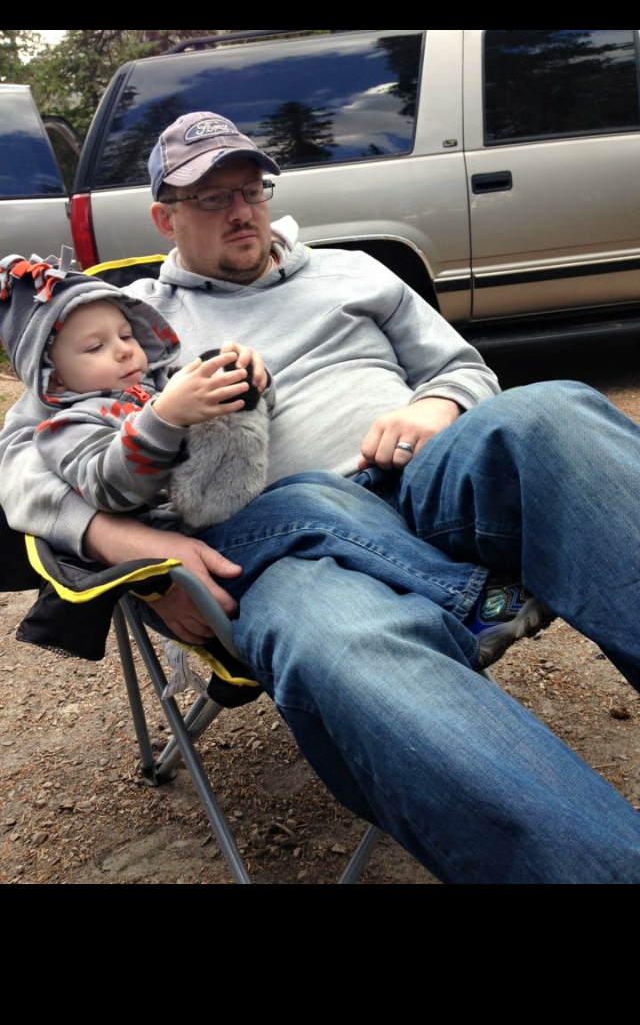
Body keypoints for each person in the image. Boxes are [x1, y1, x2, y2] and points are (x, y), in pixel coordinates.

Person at [1, 113, 639, 883]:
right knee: (342, 644)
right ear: (163, 218)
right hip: (285, 551)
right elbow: (22, 456)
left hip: (429, 482)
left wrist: (432, 409)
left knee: (555, 412)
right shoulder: (121, 324)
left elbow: (466, 369)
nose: (240, 210)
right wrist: (132, 547)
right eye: (210, 198)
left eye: (249, 189)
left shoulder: (358, 272)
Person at [0, 252, 273, 529]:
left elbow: (249, 420)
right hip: (177, 537)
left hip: (235, 501)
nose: (123, 350)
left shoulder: (166, 380)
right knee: (302, 510)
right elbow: (109, 490)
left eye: (127, 335)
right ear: (54, 379)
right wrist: (163, 420)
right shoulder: (66, 427)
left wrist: (248, 378)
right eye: (96, 347)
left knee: (311, 487)